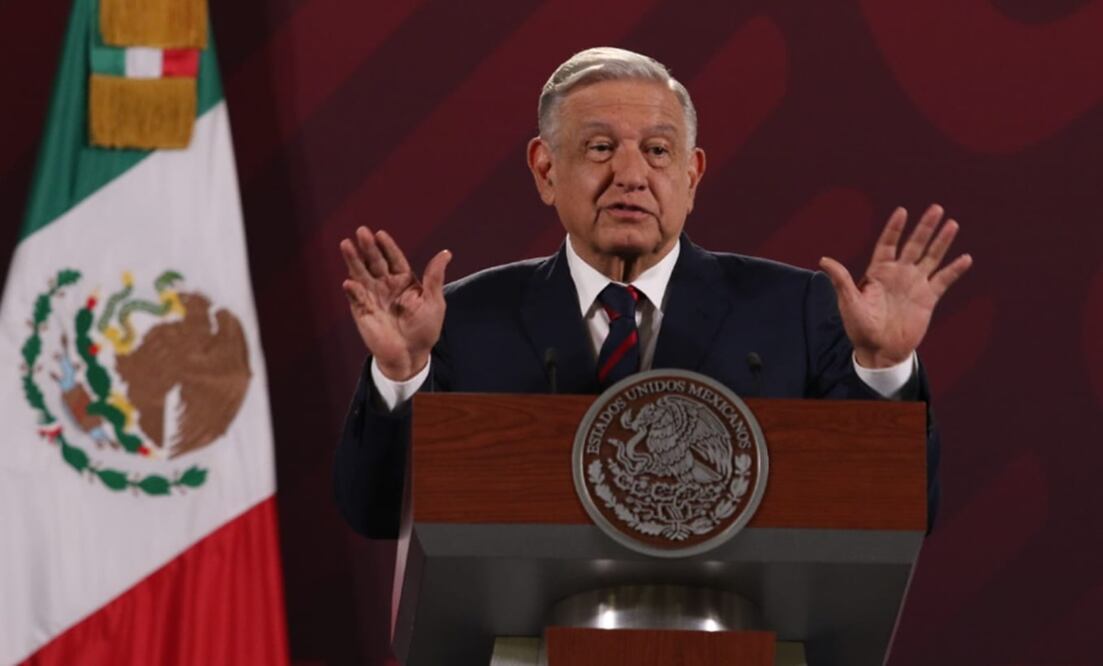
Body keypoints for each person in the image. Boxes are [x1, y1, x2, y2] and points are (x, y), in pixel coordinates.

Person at [334, 47, 972, 539]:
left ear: (692, 176)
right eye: (601, 147)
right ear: (546, 169)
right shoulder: (464, 321)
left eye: (658, 151)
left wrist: (885, 371)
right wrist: (401, 373)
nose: (631, 175)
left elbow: (897, 513)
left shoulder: (797, 312)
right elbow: (376, 511)